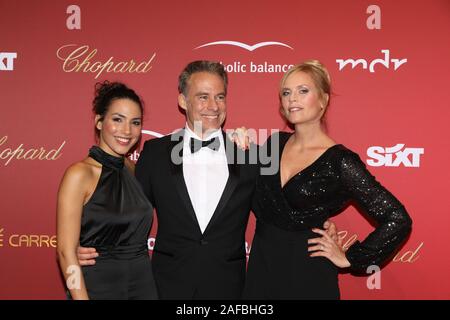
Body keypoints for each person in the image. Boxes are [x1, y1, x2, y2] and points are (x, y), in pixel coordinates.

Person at [77, 61, 338, 299]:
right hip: (166, 286)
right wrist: (88, 246)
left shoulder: (250, 155)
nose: (213, 106)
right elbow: (129, 211)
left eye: (220, 96)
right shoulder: (155, 153)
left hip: (229, 288)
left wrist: (315, 221)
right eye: (203, 97)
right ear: (182, 100)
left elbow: (278, 210)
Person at [243, 60, 413, 299]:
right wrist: (240, 151)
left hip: (308, 273)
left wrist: (351, 258)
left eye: (303, 91)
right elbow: (242, 192)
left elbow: (397, 218)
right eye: (286, 92)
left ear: (323, 100)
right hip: (263, 268)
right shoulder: (273, 144)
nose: (292, 99)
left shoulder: (340, 161)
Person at [56, 81, 158, 300]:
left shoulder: (133, 170)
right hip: (98, 287)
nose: (127, 131)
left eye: (135, 122)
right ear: (99, 122)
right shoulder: (79, 174)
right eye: (117, 119)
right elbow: (66, 253)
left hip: (143, 286)